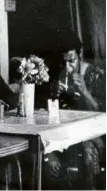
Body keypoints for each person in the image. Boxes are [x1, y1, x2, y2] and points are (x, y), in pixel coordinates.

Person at [44, 31, 105, 189]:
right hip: (67, 133)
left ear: (80, 54)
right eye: (64, 62)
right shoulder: (60, 75)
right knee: (46, 152)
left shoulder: (95, 74)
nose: (68, 67)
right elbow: (52, 115)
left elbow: (102, 113)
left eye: (71, 61)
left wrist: (84, 92)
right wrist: (54, 96)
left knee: (86, 151)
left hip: (93, 133)